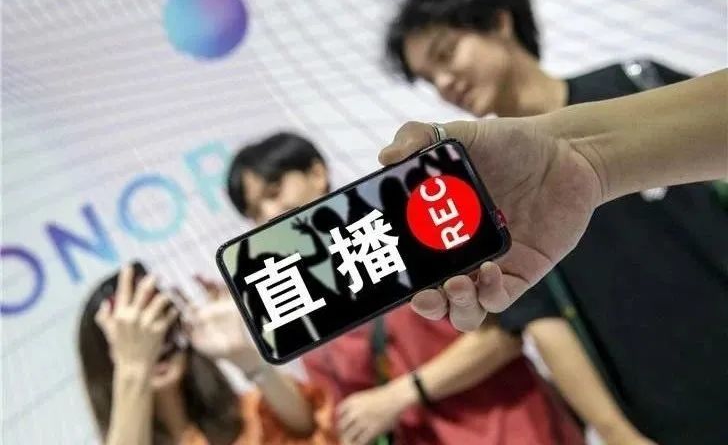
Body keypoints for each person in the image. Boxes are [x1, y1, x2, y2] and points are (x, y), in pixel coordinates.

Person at [379, 69, 728, 444]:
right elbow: (543, 325)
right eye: (431, 77)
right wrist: (616, 432)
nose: (445, 81)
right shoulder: (503, 196)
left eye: (445, 53)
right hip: (669, 408)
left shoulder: (631, 76)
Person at [226, 132, 584, 445]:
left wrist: (400, 395)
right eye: (254, 211)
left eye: (274, 191)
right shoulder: (304, 300)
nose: (269, 213)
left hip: (512, 429)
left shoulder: (410, 225)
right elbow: (338, 410)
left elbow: (504, 332)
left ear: (316, 173)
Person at [78, 263, 337, 445]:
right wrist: (134, 370)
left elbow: (315, 431)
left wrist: (247, 358)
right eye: (133, 338)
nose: (154, 346)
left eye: (160, 322)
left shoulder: (248, 416)